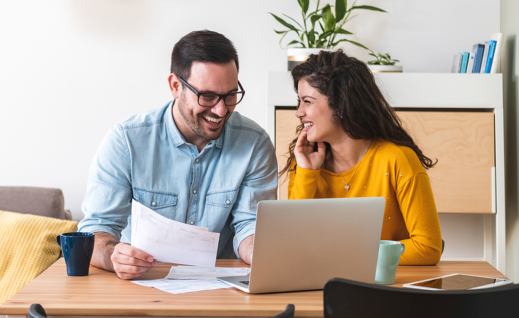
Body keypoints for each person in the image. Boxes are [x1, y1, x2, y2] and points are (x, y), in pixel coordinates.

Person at [78, 30, 278, 279]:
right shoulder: (126, 141)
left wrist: (261, 251)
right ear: (175, 86)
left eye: (230, 96)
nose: (220, 109)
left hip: (219, 289)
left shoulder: (254, 143)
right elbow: (96, 231)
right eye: (207, 96)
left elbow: (250, 225)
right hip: (141, 285)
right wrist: (114, 256)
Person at [282, 50, 442, 265]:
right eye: (299, 102)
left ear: (340, 104)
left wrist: (348, 254)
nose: (298, 112)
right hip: (320, 283)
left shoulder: (397, 159)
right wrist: (307, 174)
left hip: (385, 288)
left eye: (307, 101)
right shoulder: (304, 162)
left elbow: (428, 247)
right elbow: (292, 244)